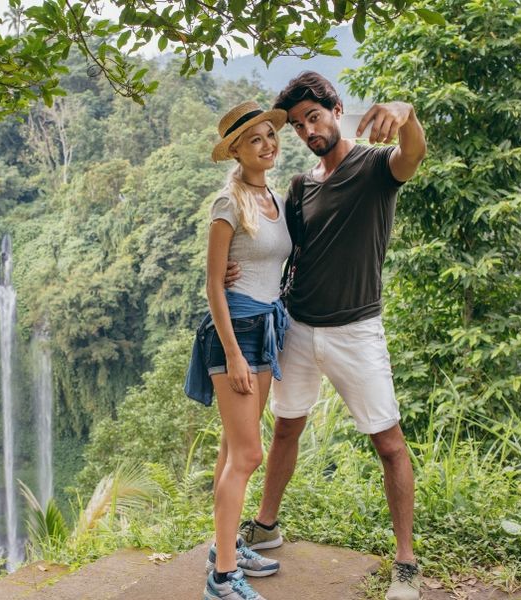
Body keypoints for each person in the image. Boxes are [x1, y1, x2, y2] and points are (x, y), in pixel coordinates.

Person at [229, 72, 427, 600]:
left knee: (387, 442)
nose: (306, 130)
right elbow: (279, 248)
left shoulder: (374, 166)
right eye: (296, 125)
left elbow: (413, 154)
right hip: (298, 325)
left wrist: (405, 111)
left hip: (357, 329)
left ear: (337, 110)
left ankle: (405, 563)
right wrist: (234, 268)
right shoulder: (301, 186)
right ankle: (267, 526)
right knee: (287, 428)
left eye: (313, 117)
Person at [184, 101, 293, 600]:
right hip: (237, 334)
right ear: (235, 150)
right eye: (255, 139)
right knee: (248, 453)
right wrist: (231, 353)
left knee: (233, 450)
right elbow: (213, 283)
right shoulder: (227, 203)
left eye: (270, 135)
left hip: (267, 325)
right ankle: (223, 579)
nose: (268, 143)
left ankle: (223, 548)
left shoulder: (271, 196)